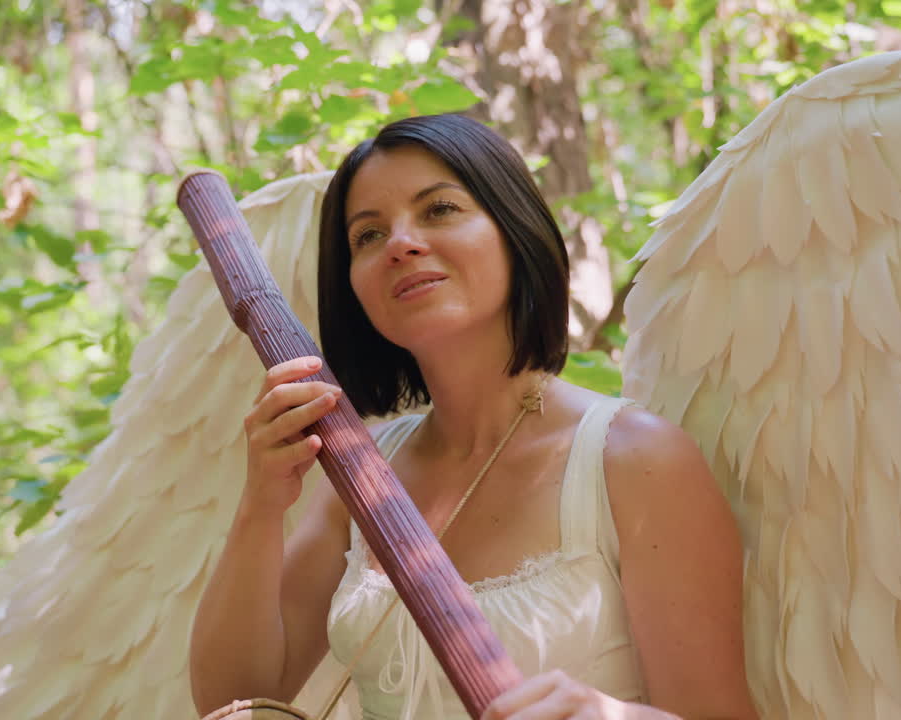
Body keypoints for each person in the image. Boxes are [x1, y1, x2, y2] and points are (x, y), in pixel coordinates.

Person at [190, 114, 757, 720]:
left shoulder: (634, 459)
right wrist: (261, 504)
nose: (401, 243)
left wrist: (609, 716)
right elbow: (234, 699)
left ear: (514, 230)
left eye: (438, 210)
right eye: (367, 236)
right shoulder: (361, 467)